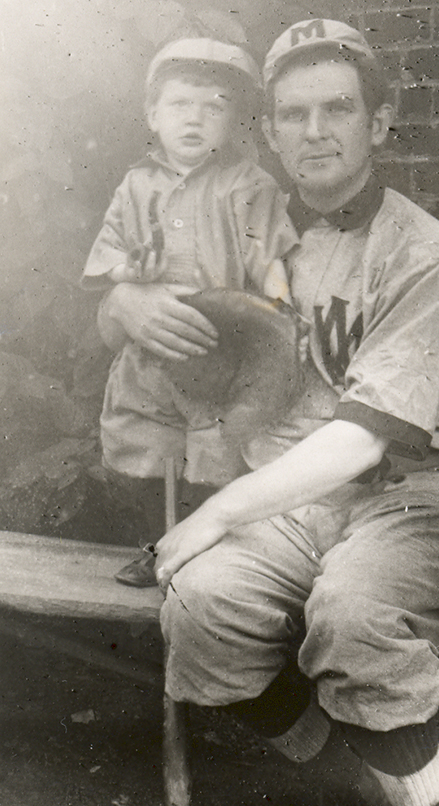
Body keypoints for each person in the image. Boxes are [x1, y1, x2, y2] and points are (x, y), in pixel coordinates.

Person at [99, 19, 439, 806]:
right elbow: (131, 313)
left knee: (351, 623)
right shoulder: (244, 229)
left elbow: (363, 439)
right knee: (201, 613)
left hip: (402, 492)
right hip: (285, 496)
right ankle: (352, 784)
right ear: (266, 132)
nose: (315, 132)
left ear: (379, 124)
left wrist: (215, 512)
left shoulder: (429, 253)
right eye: (293, 114)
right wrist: (127, 299)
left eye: (338, 110)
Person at [82, 38, 297, 586]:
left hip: (218, 347)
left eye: (215, 106)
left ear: (235, 121)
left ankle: (208, 552)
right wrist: (129, 273)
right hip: (152, 351)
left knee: (216, 447)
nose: (195, 120)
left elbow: (269, 255)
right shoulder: (136, 186)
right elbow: (110, 259)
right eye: (180, 105)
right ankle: (155, 546)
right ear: (153, 115)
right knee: (152, 446)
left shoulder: (249, 185)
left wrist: (280, 309)